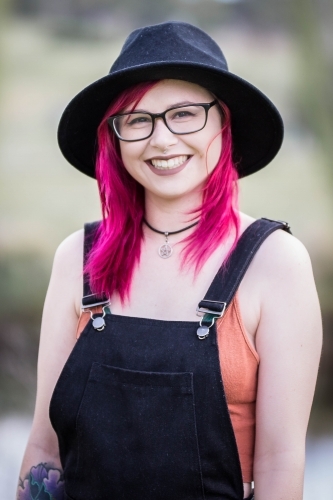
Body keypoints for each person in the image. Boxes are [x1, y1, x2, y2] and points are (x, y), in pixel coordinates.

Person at [17, 21, 322, 500]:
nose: (160, 140)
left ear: (224, 122)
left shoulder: (277, 264)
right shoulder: (77, 258)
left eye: (184, 114)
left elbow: (280, 464)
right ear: (114, 138)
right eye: (137, 120)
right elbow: (44, 448)